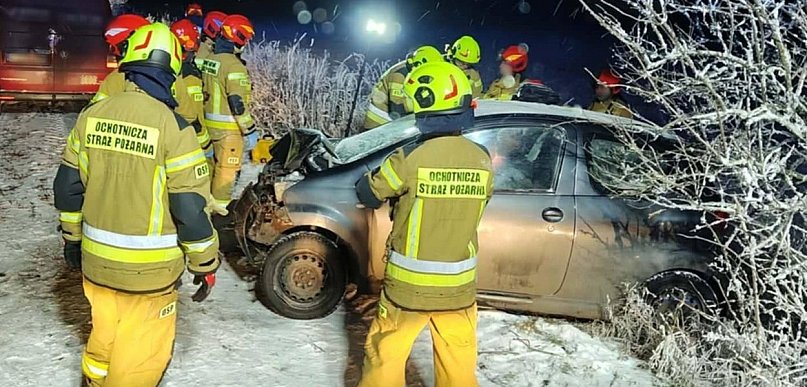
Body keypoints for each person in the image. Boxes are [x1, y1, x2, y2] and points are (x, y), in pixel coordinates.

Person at [53, 22, 220, 386]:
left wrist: (72, 239)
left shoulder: (91, 116)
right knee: (140, 360)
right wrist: (205, 263)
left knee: (104, 339)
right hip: (150, 279)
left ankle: (93, 381)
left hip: (96, 267)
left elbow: (67, 187)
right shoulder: (175, 129)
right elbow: (190, 209)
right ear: (172, 72)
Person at [356, 61, 494, 387]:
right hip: (458, 290)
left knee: (385, 357)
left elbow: (369, 192)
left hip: (408, 291)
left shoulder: (409, 158)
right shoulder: (482, 159)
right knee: (458, 364)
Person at [93, 17, 201, 151]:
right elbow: (189, 117)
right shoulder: (175, 79)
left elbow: (94, 114)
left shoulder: (115, 79)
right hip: (162, 152)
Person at [201, 14, 257, 209]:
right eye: (245, 37)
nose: (247, 42)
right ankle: (218, 216)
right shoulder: (234, 66)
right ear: (237, 36)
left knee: (210, 171)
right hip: (229, 131)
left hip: (210, 128)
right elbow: (237, 102)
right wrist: (249, 130)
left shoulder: (211, 59)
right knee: (225, 175)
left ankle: (203, 208)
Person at [363, 45, 444, 130]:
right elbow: (397, 110)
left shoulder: (415, 73)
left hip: (392, 127)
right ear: (419, 66)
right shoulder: (399, 76)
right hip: (378, 127)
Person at [171, 18, 214, 164]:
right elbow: (193, 116)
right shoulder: (190, 76)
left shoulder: (165, 71)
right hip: (190, 146)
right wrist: (206, 145)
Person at [91, 14, 150, 103]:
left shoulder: (116, 78)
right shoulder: (171, 77)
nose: (114, 53)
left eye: (115, 48)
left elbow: (94, 110)